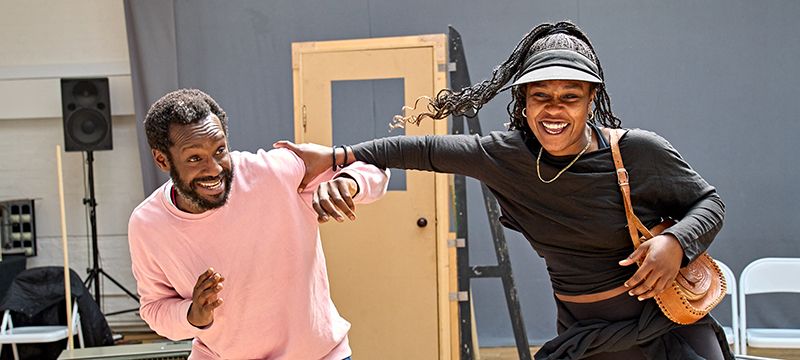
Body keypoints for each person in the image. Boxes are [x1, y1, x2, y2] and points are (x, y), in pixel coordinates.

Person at [275, 21, 731, 360]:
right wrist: (334, 157)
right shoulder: (506, 156)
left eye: (570, 97)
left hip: (667, 326)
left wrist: (675, 242)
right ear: (523, 102)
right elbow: (420, 150)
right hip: (586, 338)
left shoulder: (636, 151)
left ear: (592, 100)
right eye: (540, 96)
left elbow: (709, 203)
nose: (554, 110)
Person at [127, 89, 389, 360]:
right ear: (162, 159)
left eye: (220, 150)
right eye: (195, 158)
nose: (214, 169)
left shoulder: (273, 172)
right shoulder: (147, 225)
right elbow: (154, 308)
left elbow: (374, 167)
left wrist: (348, 182)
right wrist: (192, 314)